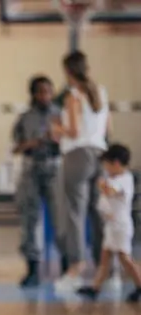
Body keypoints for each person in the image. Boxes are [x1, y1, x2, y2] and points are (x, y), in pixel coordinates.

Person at [51, 51, 109, 292]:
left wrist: (57, 128)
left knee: (75, 213)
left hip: (77, 155)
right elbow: (108, 128)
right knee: (99, 212)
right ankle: (107, 271)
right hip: (100, 154)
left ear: (67, 71)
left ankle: (76, 268)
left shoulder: (73, 95)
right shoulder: (101, 93)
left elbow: (73, 131)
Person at [12, 76, 61, 287]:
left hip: (55, 167)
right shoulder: (24, 118)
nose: (45, 96)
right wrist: (34, 141)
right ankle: (32, 269)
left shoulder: (60, 115)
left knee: (61, 217)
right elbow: (16, 147)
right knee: (29, 219)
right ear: (33, 94)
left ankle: (67, 267)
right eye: (40, 92)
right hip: (31, 167)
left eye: (48, 91)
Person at [77, 144, 141, 302]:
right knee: (104, 257)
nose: (105, 168)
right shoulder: (113, 178)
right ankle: (95, 287)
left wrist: (102, 185)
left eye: (107, 164)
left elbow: (112, 191)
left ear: (116, 163)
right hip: (111, 226)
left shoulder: (124, 179)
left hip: (120, 226)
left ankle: (140, 284)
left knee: (125, 258)